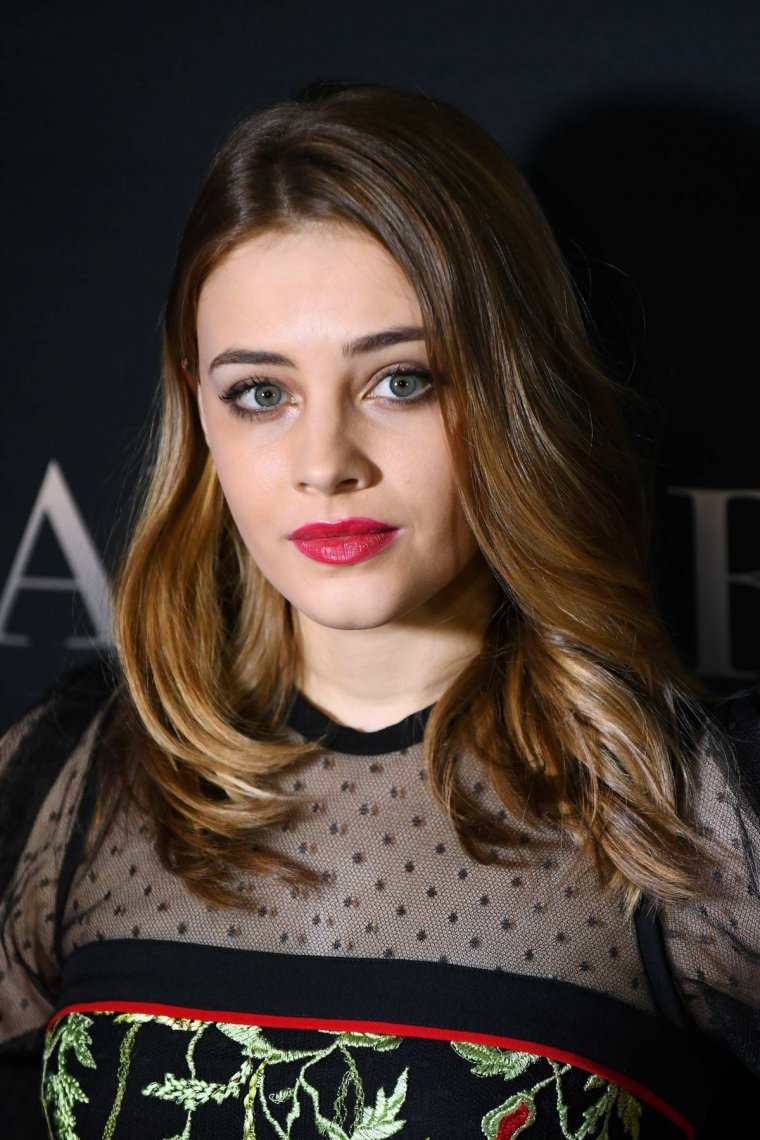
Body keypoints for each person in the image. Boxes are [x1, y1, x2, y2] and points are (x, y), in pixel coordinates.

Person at [1, 80, 758, 1139]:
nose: (325, 464)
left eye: (400, 380)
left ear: (509, 387)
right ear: (199, 409)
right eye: (261, 393)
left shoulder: (694, 815)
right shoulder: (73, 775)